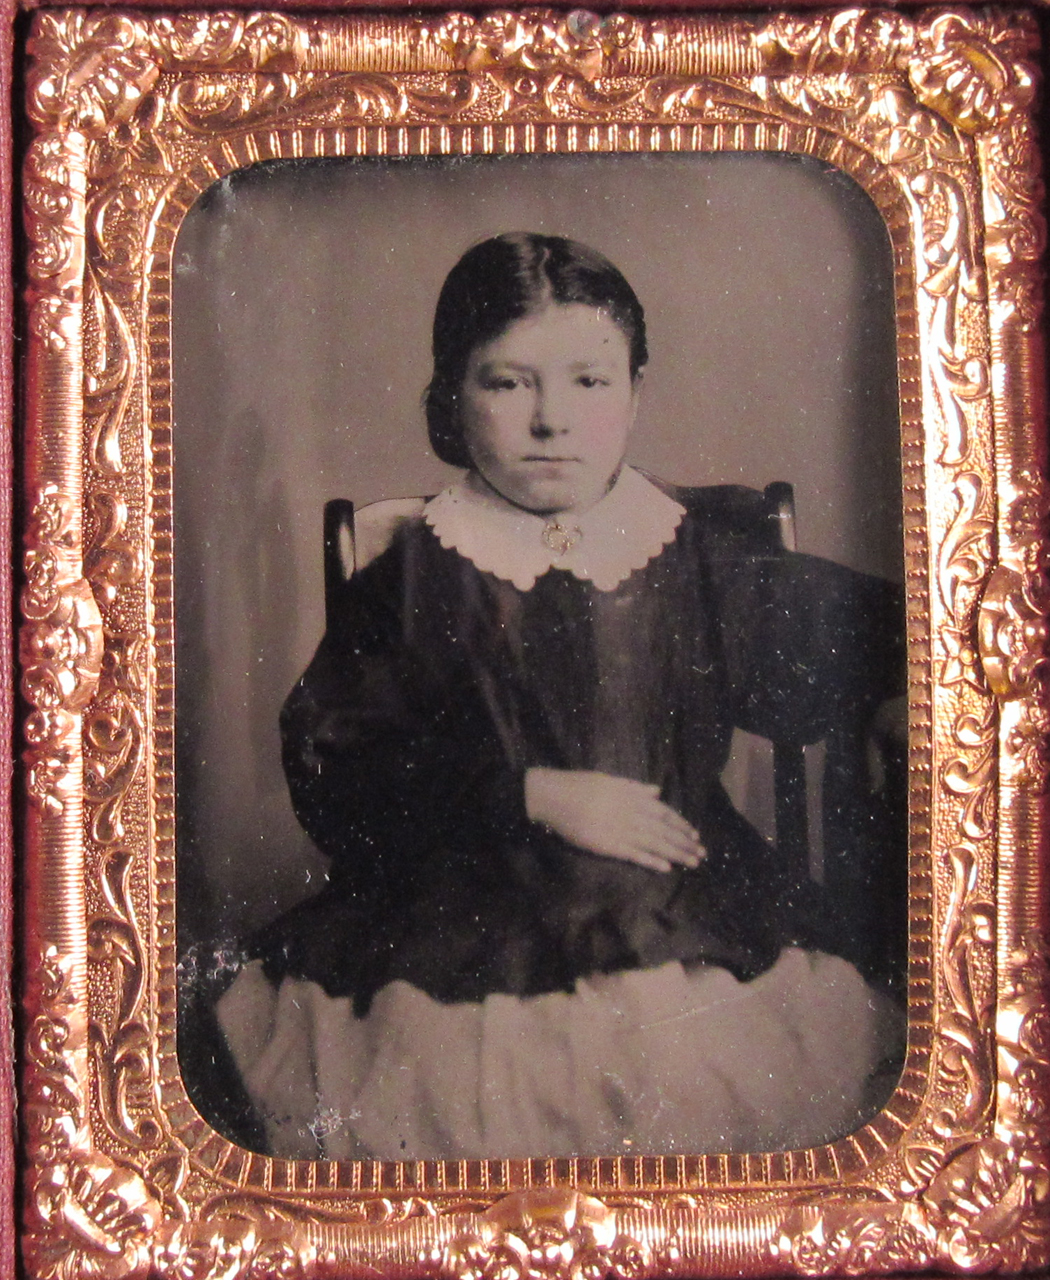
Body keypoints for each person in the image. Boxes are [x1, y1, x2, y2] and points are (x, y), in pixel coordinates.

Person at [214, 232, 905, 1161]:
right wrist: (528, 794)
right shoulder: (413, 578)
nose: (553, 421)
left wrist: (894, 693)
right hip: (465, 921)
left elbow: (870, 632)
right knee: (465, 1102)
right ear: (453, 398)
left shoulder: (694, 556)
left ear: (635, 393)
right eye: (508, 383)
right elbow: (338, 767)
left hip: (680, 913)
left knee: (700, 1080)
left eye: (589, 381)